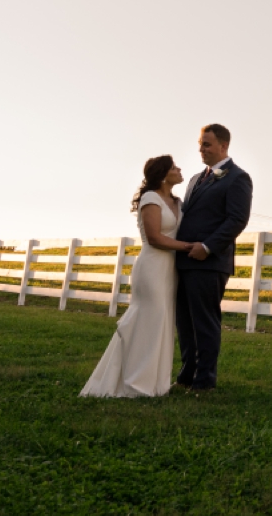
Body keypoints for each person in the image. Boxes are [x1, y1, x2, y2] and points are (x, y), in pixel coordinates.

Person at [81, 155, 197, 398]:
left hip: (170, 270)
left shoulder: (178, 201)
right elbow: (154, 237)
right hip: (152, 267)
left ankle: (157, 384)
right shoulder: (150, 198)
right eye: (174, 167)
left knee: (163, 322)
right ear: (164, 174)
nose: (179, 169)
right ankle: (135, 382)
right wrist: (189, 247)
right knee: (148, 320)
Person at [173, 123, 253, 391]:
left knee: (204, 322)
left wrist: (206, 247)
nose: (201, 149)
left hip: (209, 263)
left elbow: (237, 220)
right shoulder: (196, 179)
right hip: (184, 260)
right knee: (184, 321)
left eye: (206, 144)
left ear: (223, 146)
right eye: (200, 144)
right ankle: (187, 373)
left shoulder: (237, 177)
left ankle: (205, 379)